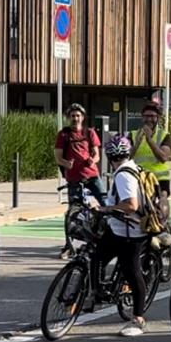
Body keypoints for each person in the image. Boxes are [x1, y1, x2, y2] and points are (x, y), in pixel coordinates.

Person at [94, 133, 150, 336]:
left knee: (132, 272)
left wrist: (106, 210)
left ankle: (138, 319)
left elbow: (131, 204)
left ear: (110, 158)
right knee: (97, 256)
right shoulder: (134, 168)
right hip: (118, 228)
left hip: (130, 232)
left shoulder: (123, 174)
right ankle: (97, 293)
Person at [55, 103, 105, 258]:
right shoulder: (63, 135)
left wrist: (92, 160)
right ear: (69, 118)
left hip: (92, 175)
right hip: (74, 178)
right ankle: (69, 246)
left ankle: (108, 236)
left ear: (83, 117)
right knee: (72, 213)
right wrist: (66, 164)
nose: (75, 118)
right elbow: (58, 156)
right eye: (72, 116)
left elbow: (97, 154)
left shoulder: (89, 132)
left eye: (78, 116)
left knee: (106, 202)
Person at [131, 100, 171, 204]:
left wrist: (150, 140)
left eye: (152, 116)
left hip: (159, 178)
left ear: (158, 117)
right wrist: (137, 143)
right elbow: (127, 157)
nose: (149, 119)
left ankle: (163, 219)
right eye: (146, 116)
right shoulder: (133, 135)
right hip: (139, 176)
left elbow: (163, 158)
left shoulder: (165, 136)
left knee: (162, 199)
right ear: (142, 117)